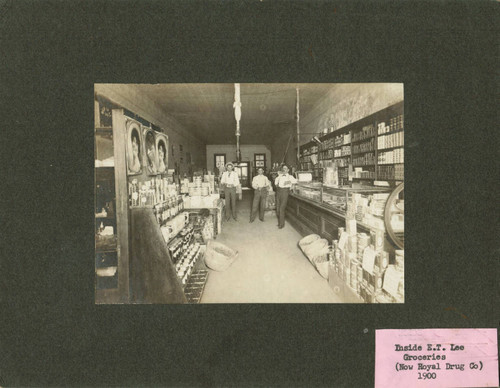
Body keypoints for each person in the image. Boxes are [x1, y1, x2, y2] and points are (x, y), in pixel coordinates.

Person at [274, 164, 297, 229]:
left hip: (285, 192)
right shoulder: (279, 176)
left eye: (285, 168)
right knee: (278, 208)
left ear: (288, 170)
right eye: (283, 168)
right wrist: (278, 180)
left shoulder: (290, 176)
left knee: (281, 208)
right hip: (278, 191)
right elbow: (275, 183)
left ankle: (281, 224)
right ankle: (280, 222)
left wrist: (289, 182)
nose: (284, 169)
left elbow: (295, 181)